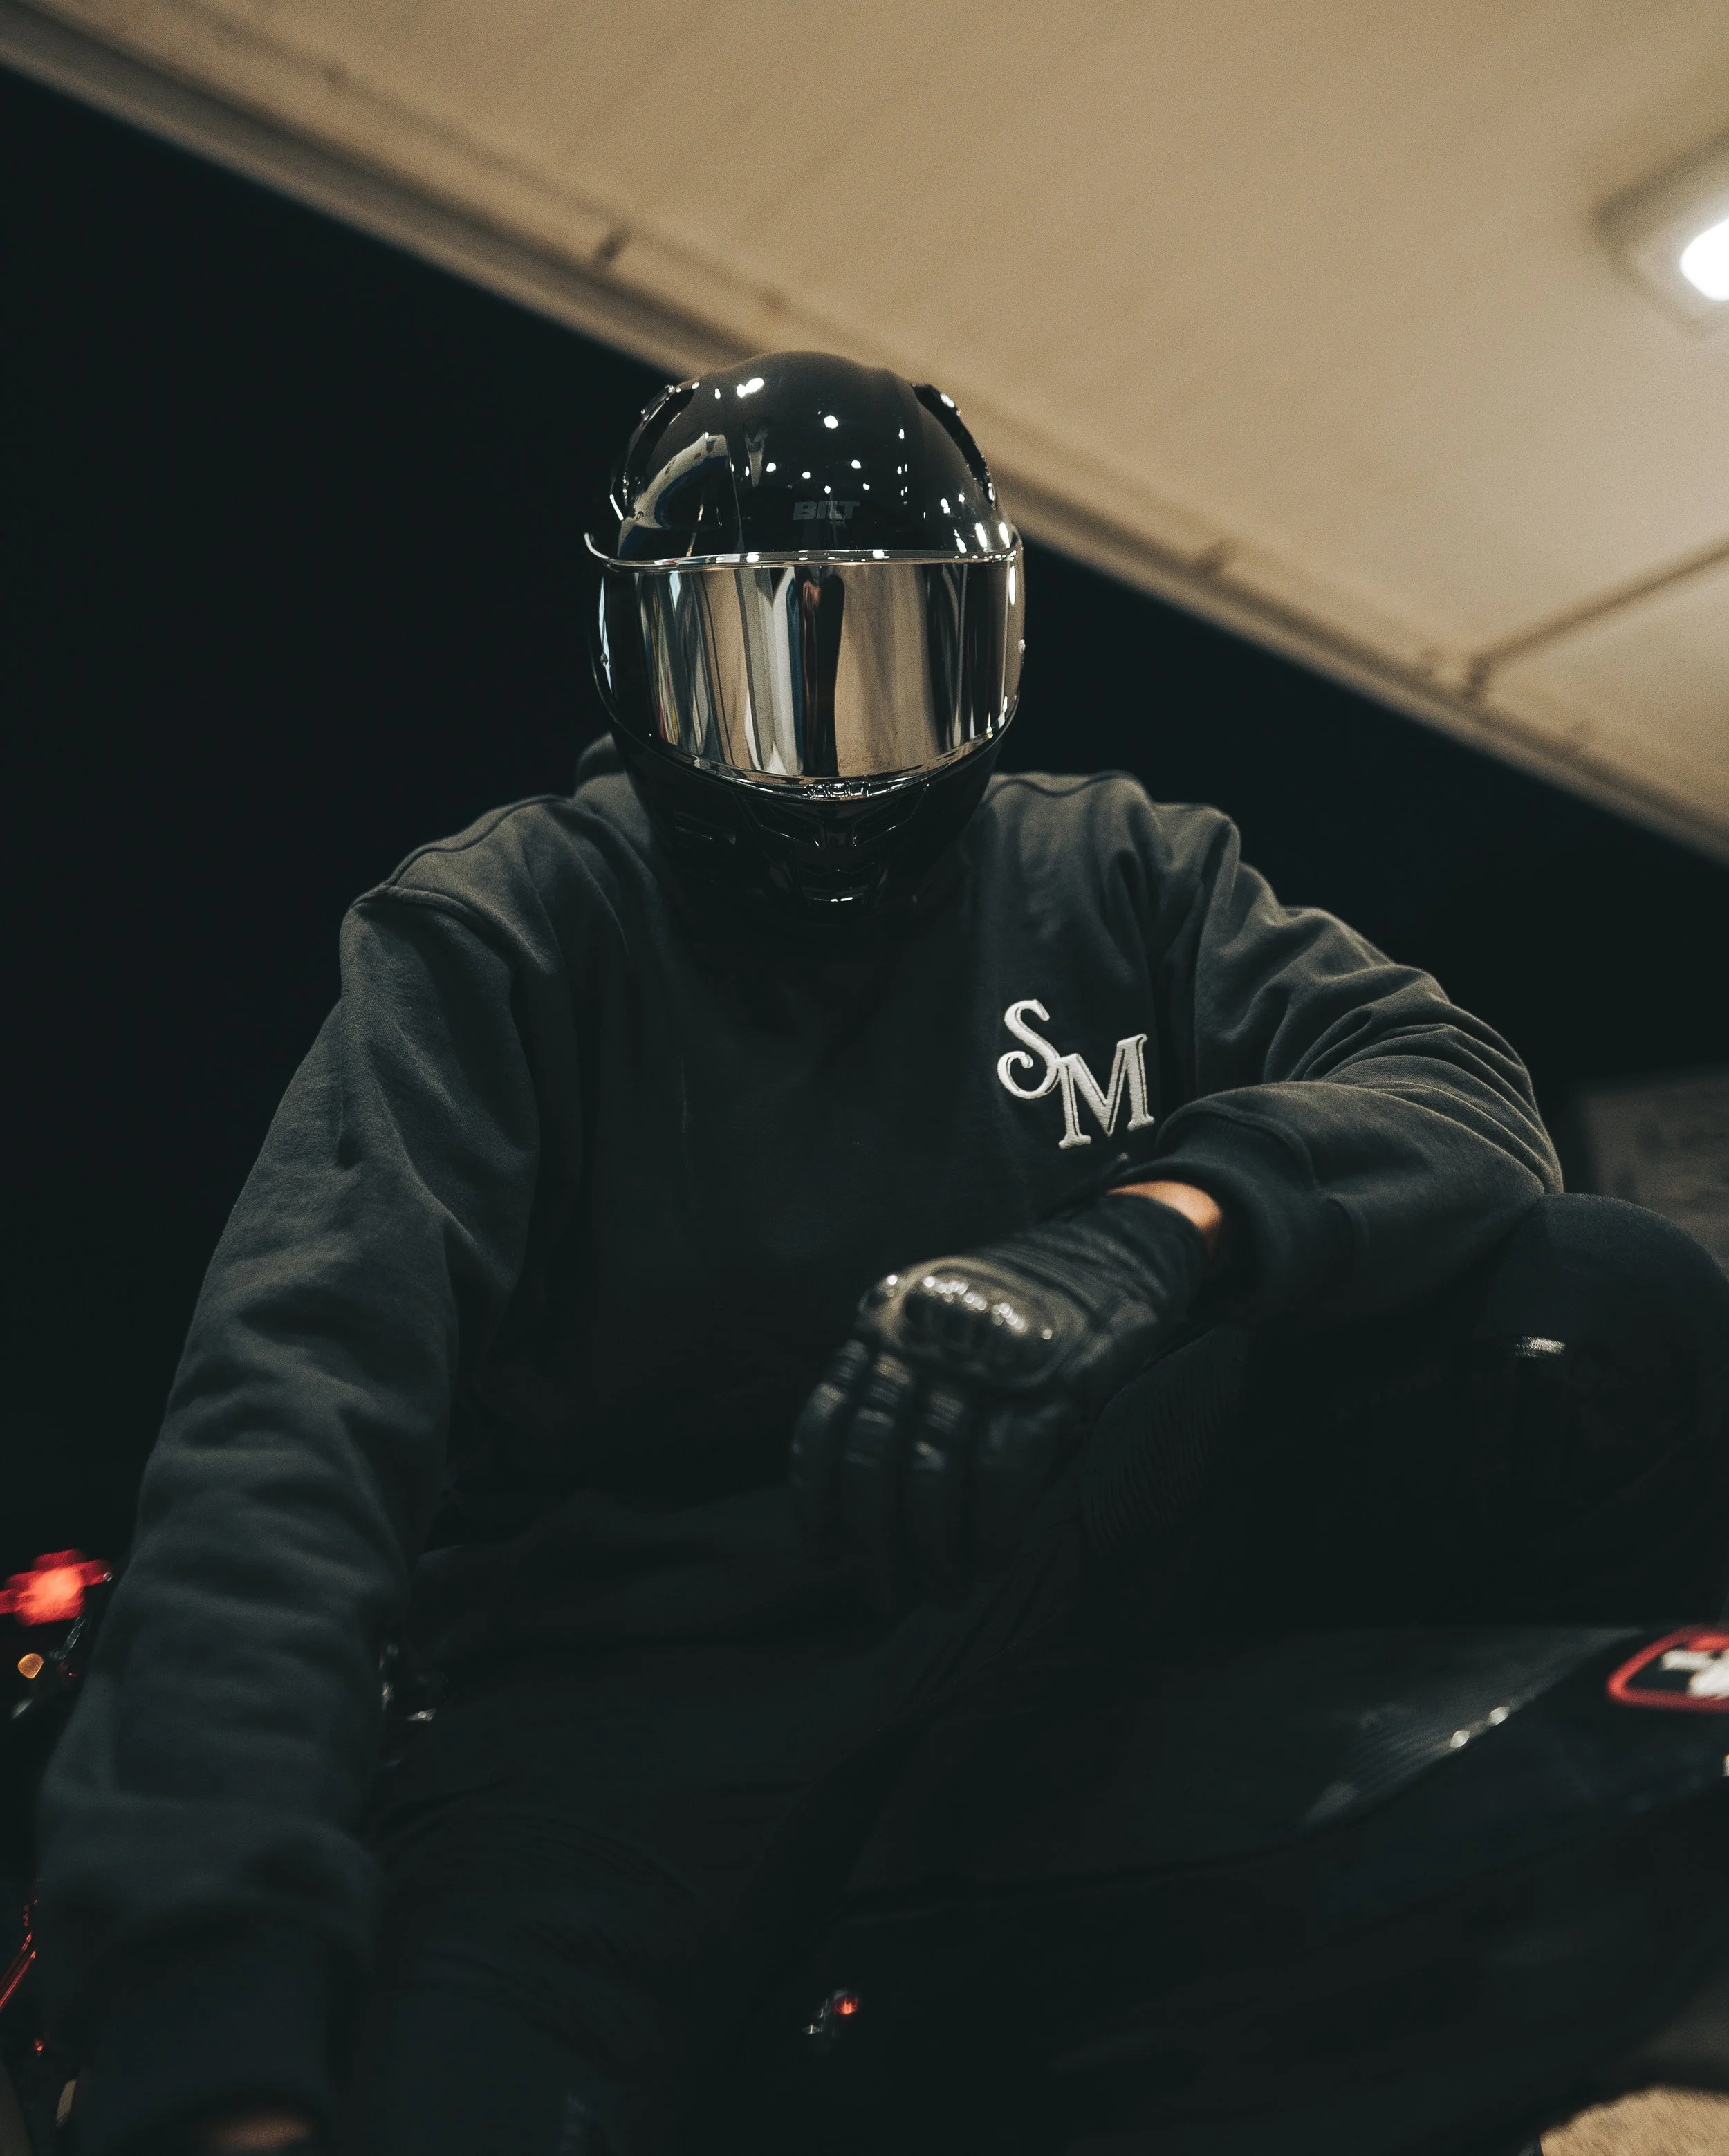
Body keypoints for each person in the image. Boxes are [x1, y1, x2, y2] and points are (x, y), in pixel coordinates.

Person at [35, 353, 1729, 2156]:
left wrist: (1149, 1241)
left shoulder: (1117, 868)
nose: (830, 755)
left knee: (1605, 1301)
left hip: (1051, 1602)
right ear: (635, 658)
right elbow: (292, 1434)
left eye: (893, 666)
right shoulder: (510, 928)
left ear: (990, 650)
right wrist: (214, 1999)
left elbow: (1458, 1087)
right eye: (757, 668)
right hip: (626, 1729)